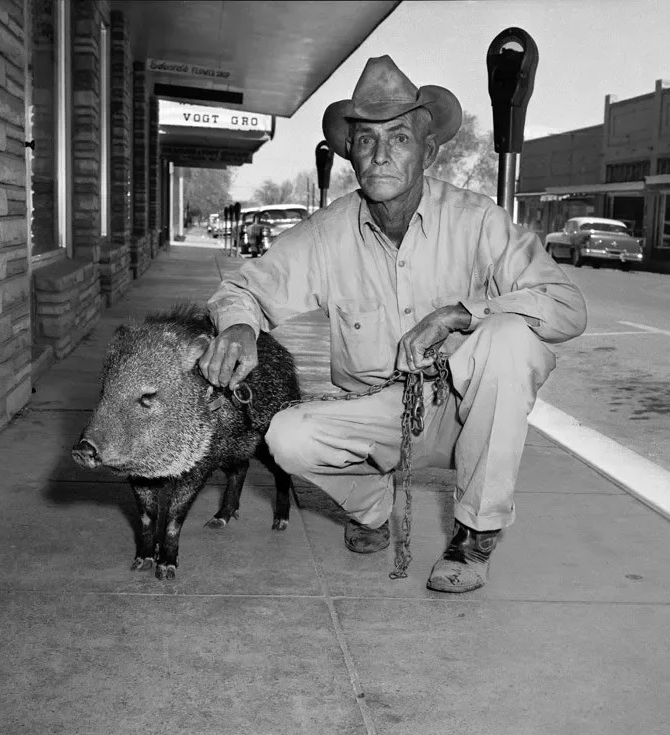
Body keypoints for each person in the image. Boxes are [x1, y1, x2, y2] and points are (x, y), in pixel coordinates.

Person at [200, 56, 587, 592]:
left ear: (428, 151)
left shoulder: (478, 221)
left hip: (465, 412)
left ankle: (474, 535)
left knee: (509, 337)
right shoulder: (328, 233)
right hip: (382, 414)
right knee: (286, 436)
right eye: (366, 141)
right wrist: (240, 327)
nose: (381, 155)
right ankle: (373, 505)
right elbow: (242, 288)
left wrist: (460, 313)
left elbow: (565, 305)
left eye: (399, 138)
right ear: (350, 156)